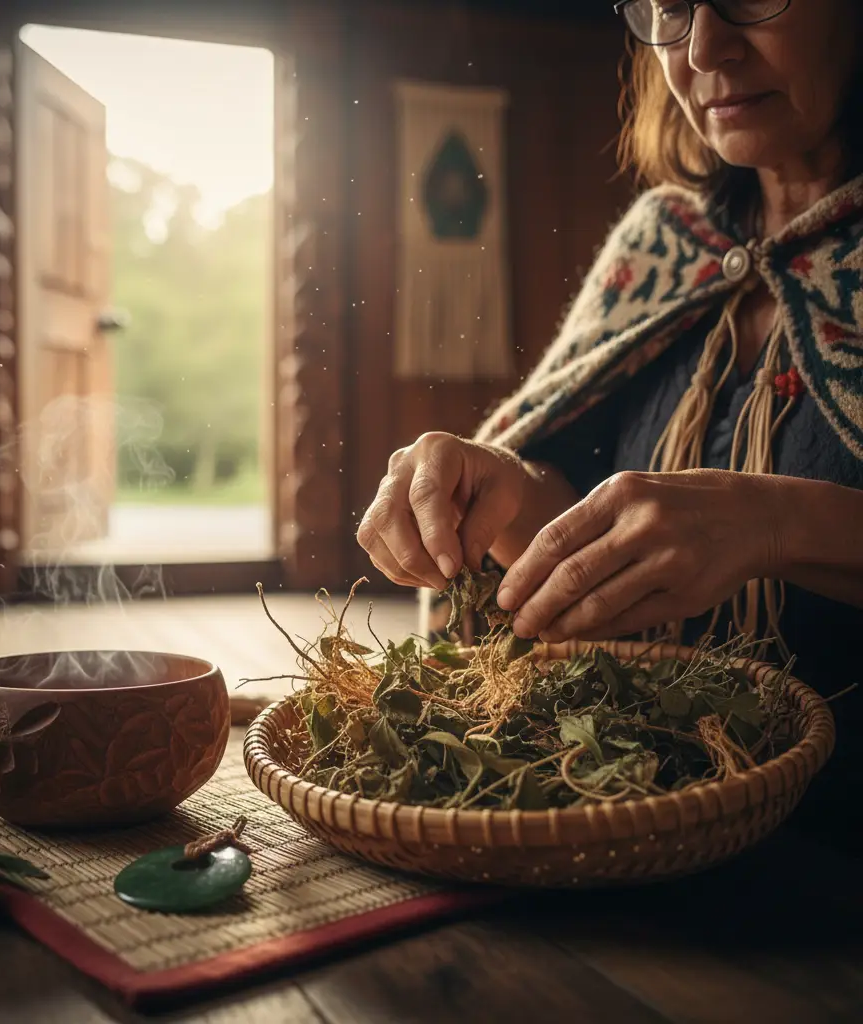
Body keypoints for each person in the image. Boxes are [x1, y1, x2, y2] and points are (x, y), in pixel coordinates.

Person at [356, 0, 863, 842]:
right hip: (620, 813)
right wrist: (506, 494)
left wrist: (770, 522)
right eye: (669, 6)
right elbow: (578, 516)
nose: (704, 46)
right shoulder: (662, 242)